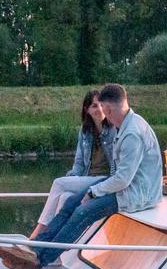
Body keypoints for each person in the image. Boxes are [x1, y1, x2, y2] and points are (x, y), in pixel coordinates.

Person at [0, 83, 161, 269]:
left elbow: (123, 179)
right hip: (123, 184)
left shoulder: (132, 133)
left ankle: (41, 259)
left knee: (82, 212)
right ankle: (35, 247)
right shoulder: (126, 124)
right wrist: (92, 189)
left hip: (135, 193)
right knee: (70, 204)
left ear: (108, 108)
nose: (104, 115)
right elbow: (119, 177)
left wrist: (93, 193)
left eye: (104, 110)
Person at [26, 90, 115, 238]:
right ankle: (57, 250)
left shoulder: (112, 130)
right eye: (94, 106)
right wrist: (72, 179)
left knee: (59, 184)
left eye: (101, 104)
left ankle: (36, 236)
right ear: (87, 110)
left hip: (104, 180)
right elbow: (79, 164)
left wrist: (67, 182)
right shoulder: (85, 132)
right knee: (64, 197)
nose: (99, 109)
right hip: (87, 178)